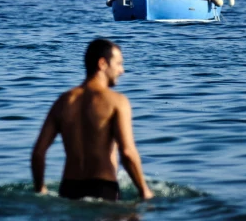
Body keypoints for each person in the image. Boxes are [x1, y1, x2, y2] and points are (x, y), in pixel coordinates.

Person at [31, 38, 154, 202]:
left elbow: (38, 153)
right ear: (102, 64)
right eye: (118, 64)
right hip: (103, 189)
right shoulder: (116, 101)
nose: (122, 70)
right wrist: (144, 190)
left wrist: (40, 188)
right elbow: (127, 153)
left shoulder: (63, 102)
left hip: (68, 189)